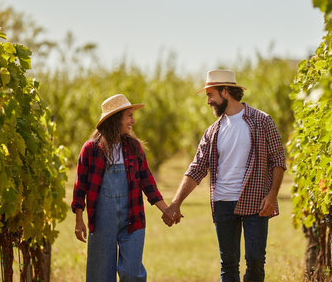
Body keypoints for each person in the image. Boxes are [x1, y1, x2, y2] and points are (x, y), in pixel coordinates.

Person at [164, 69, 287, 282]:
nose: (208, 101)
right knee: (228, 265)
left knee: (256, 260)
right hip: (222, 202)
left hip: (255, 200)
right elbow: (196, 169)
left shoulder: (262, 121)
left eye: (211, 95)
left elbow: (278, 159)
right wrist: (175, 202)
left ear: (226, 91)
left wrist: (272, 194)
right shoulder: (212, 132)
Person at [72, 94, 171, 282]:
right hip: (102, 221)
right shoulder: (90, 150)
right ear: (116, 119)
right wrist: (79, 220)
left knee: (132, 273)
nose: (133, 121)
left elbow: (147, 182)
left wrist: (166, 210)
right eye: (129, 116)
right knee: (100, 276)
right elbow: (80, 187)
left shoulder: (134, 148)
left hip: (132, 219)